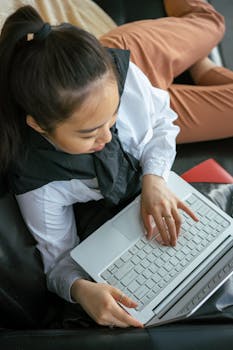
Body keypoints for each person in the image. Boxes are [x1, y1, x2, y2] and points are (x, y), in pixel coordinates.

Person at [0, 0, 232, 328]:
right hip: (119, 97)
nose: (108, 139)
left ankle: (202, 67)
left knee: (212, 23)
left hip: (131, 68)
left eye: (112, 122)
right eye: (90, 133)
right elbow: (59, 263)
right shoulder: (40, 183)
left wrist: (154, 178)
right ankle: (204, 69)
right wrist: (81, 290)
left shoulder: (119, 77)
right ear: (39, 126)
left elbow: (162, 123)